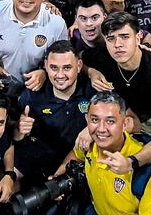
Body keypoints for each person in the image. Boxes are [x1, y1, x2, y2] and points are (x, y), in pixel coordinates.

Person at [61, 91, 151, 215]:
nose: (101, 129)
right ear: (87, 121)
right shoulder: (88, 144)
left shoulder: (145, 170)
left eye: (110, 121)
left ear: (125, 123)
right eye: (94, 120)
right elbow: (74, 155)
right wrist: (58, 177)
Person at [81, 13, 151, 168]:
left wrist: (131, 162)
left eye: (125, 37)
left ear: (138, 38)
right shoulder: (104, 54)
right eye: (111, 39)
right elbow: (79, 58)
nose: (117, 44)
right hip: (125, 110)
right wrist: (91, 72)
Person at [14, 41, 93, 180]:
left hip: (78, 166)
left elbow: (121, 119)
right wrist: (18, 130)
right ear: (45, 66)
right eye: (54, 68)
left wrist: (93, 128)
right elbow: (15, 139)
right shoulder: (32, 94)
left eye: (67, 68)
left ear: (79, 66)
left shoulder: (93, 91)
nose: (60, 75)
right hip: (38, 167)